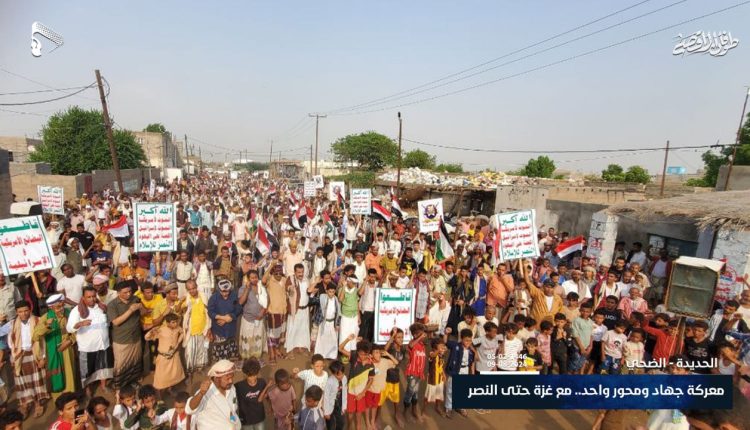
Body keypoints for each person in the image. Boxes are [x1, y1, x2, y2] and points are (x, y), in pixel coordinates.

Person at [8, 300, 49, 418]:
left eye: (26, 310)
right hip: (19, 356)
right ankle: (25, 404)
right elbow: (10, 341)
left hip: (34, 354)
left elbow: (43, 341)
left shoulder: (38, 320)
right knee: (23, 382)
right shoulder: (12, 324)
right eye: (20, 312)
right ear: (16, 312)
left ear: (30, 310)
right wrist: (15, 354)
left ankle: (37, 404)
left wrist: (43, 357)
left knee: (36, 381)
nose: (24, 313)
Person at [32, 294, 77, 396]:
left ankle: (70, 397)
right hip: (51, 351)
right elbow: (35, 336)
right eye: (57, 307)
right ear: (51, 307)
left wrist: (70, 341)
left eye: (62, 306)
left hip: (67, 349)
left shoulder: (70, 314)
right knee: (55, 373)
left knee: (69, 373)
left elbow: (77, 331)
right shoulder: (45, 317)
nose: (60, 309)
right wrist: (46, 325)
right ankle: (58, 399)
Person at [107, 280, 145, 390]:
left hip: (136, 337)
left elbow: (143, 313)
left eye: (130, 291)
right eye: (125, 292)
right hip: (122, 339)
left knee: (134, 361)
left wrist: (141, 307)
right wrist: (130, 310)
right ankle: (119, 386)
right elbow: (116, 322)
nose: (128, 294)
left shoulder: (135, 299)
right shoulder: (112, 305)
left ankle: (132, 381)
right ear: (118, 293)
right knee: (121, 364)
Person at [186, 359, 242, 429]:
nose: (231, 381)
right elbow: (189, 409)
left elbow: (232, 408)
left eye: (232, 377)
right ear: (216, 379)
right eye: (227, 379)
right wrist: (201, 393)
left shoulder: (231, 388)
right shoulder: (205, 392)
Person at [338, 338, 374, 430]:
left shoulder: (370, 365)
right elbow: (340, 348)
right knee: (350, 414)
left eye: (365, 354)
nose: (362, 356)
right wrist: (348, 339)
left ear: (369, 353)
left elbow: (371, 380)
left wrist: (362, 393)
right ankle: (349, 427)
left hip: (361, 394)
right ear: (357, 352)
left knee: (358, 415)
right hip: (350, 391)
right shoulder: (354, 356)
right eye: (361, 354)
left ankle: (358, 427)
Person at [144, 313, 185, 393]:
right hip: (163, 357)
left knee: (173, 375)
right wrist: (152, 331)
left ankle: (170, 389)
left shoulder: (178, 328)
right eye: (173, 322)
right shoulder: (161, 330)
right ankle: (159, 395)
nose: (175, 324)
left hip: (174, 356)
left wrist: (178, 343)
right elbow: (147, 338)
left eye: (176, 322)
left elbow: (182, 332)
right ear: (167, 323)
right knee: (161, 378)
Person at [443, 328, 475, 418]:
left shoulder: (471, 351)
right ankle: (448, 407)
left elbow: (472, 363)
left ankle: (460, 407)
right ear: (461, 339)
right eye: (466, 340)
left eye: (470, 340)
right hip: (454, 370)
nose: (468, 342)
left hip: (465, 371)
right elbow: (446, 342)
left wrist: (472, 373)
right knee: (450, 389)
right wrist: (446, 333)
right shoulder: (455, 345)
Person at [208, 279, 242, 361]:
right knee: (220, 347)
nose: (225, 293)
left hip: (230, 326)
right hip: (218, 327)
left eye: (227, 291)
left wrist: (230, 317)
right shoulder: (213, 298)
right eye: (223, 291)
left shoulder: (233, 295)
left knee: (231, 343)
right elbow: (210, 312)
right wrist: (222, 318)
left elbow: (238, 309)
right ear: (219, 290)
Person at [182, 279, 211, 376]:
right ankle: (190, 371)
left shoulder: (203, 297)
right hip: (191, 330)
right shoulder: (187, 299)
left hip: (203, 329)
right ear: (187, 290)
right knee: (190, 351)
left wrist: (209, 328)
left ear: (196, 287)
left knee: (202, 350)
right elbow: (183, 311)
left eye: (194, 288)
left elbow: (208, 313)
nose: (192, 291)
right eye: (189, 289)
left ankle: (200, 368)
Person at [238, 269, 268, 360]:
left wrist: (262, 312)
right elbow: (241, 302)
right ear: (248, 279)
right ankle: (246, 359)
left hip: (259, 319)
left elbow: (267, 300)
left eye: (256, 277)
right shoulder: (243, 288)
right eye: (252, 278)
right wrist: (247, 289)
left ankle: (257, 358)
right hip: (248, 319)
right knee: (248, 339)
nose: (254, 279)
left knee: (257, 339)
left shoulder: (261, 287)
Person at [262, 261, 287, 365]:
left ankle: (277, 350)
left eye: (279, 273)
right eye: (276, 273)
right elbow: (263, 280)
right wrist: (271, 266)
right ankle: (272, 354)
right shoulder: (269, 279)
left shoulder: (285, 280)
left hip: (283, 310)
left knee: (281, 333)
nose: (278, 275)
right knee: (272, 334)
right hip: (273, 311)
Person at [286, 263, 312, 356]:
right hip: (295, 309)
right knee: (293, 329)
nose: (300, 274)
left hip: (305, 309)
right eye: (298, 272)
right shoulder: (291, 279)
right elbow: (288, 289)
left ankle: (301, 347)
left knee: (303, 329)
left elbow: (309, 292)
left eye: (302, 272)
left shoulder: (306, 280)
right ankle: (290, 350)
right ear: (295, 272)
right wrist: (291, 289)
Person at [235, 358, 267, 430]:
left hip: (259, 418)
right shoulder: (238, 386)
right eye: (250, 376)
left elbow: (265, 396)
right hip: (245, 420)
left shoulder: (262, 382)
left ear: (258, 372)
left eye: (254, 375)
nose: (252, 378)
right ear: (245, 373)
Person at [314, 279, 340, 360]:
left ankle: (331, 355)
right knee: (322, 339)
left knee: (333, 339)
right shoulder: (322, 297)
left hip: (332, 323)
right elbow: (314, 301)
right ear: (326, 291)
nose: (331, 293)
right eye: (330, 291)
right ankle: (321, 355)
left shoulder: (336, 300)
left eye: (333, 291)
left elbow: (338, 313)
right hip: (324, 323)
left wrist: (337, 324)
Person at [424, 337, 448, 417]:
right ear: (435, 346)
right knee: (428, 396)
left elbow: (441, 367)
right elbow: (433, 355)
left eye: (443, 345)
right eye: (440, 346)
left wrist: (444, 375)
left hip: (439, 379)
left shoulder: (441, 356)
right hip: (432, 379)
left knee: (439, 395)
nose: (443, 347)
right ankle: (424, 410)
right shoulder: (431, 353)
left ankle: (437, 407)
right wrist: (439, 351)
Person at [323, 360, 347, 430]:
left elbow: (344, 392)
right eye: (338, 374)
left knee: (341, 422)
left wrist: (344, 406)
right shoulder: (329, 382)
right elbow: (326, 397)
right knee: (330, 424)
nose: (341, 376)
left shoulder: (344, 378)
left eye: (342, 373)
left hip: (339, 403)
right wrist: (326, 412)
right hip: (330, 404)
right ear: (333, 373)